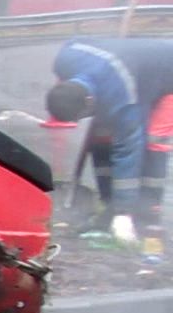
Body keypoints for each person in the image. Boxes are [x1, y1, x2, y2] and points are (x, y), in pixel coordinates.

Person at [45, 37, 173, 262]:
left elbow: (129, 149)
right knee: (102, 138)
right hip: (131, 70)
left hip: (167, 75)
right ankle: (109, 206)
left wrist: (124, 214)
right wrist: (113, 206)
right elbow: (74, 42)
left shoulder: (125, 97)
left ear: (89, 101)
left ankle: (147, 214)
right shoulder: (64, 60)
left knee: (152, 142)